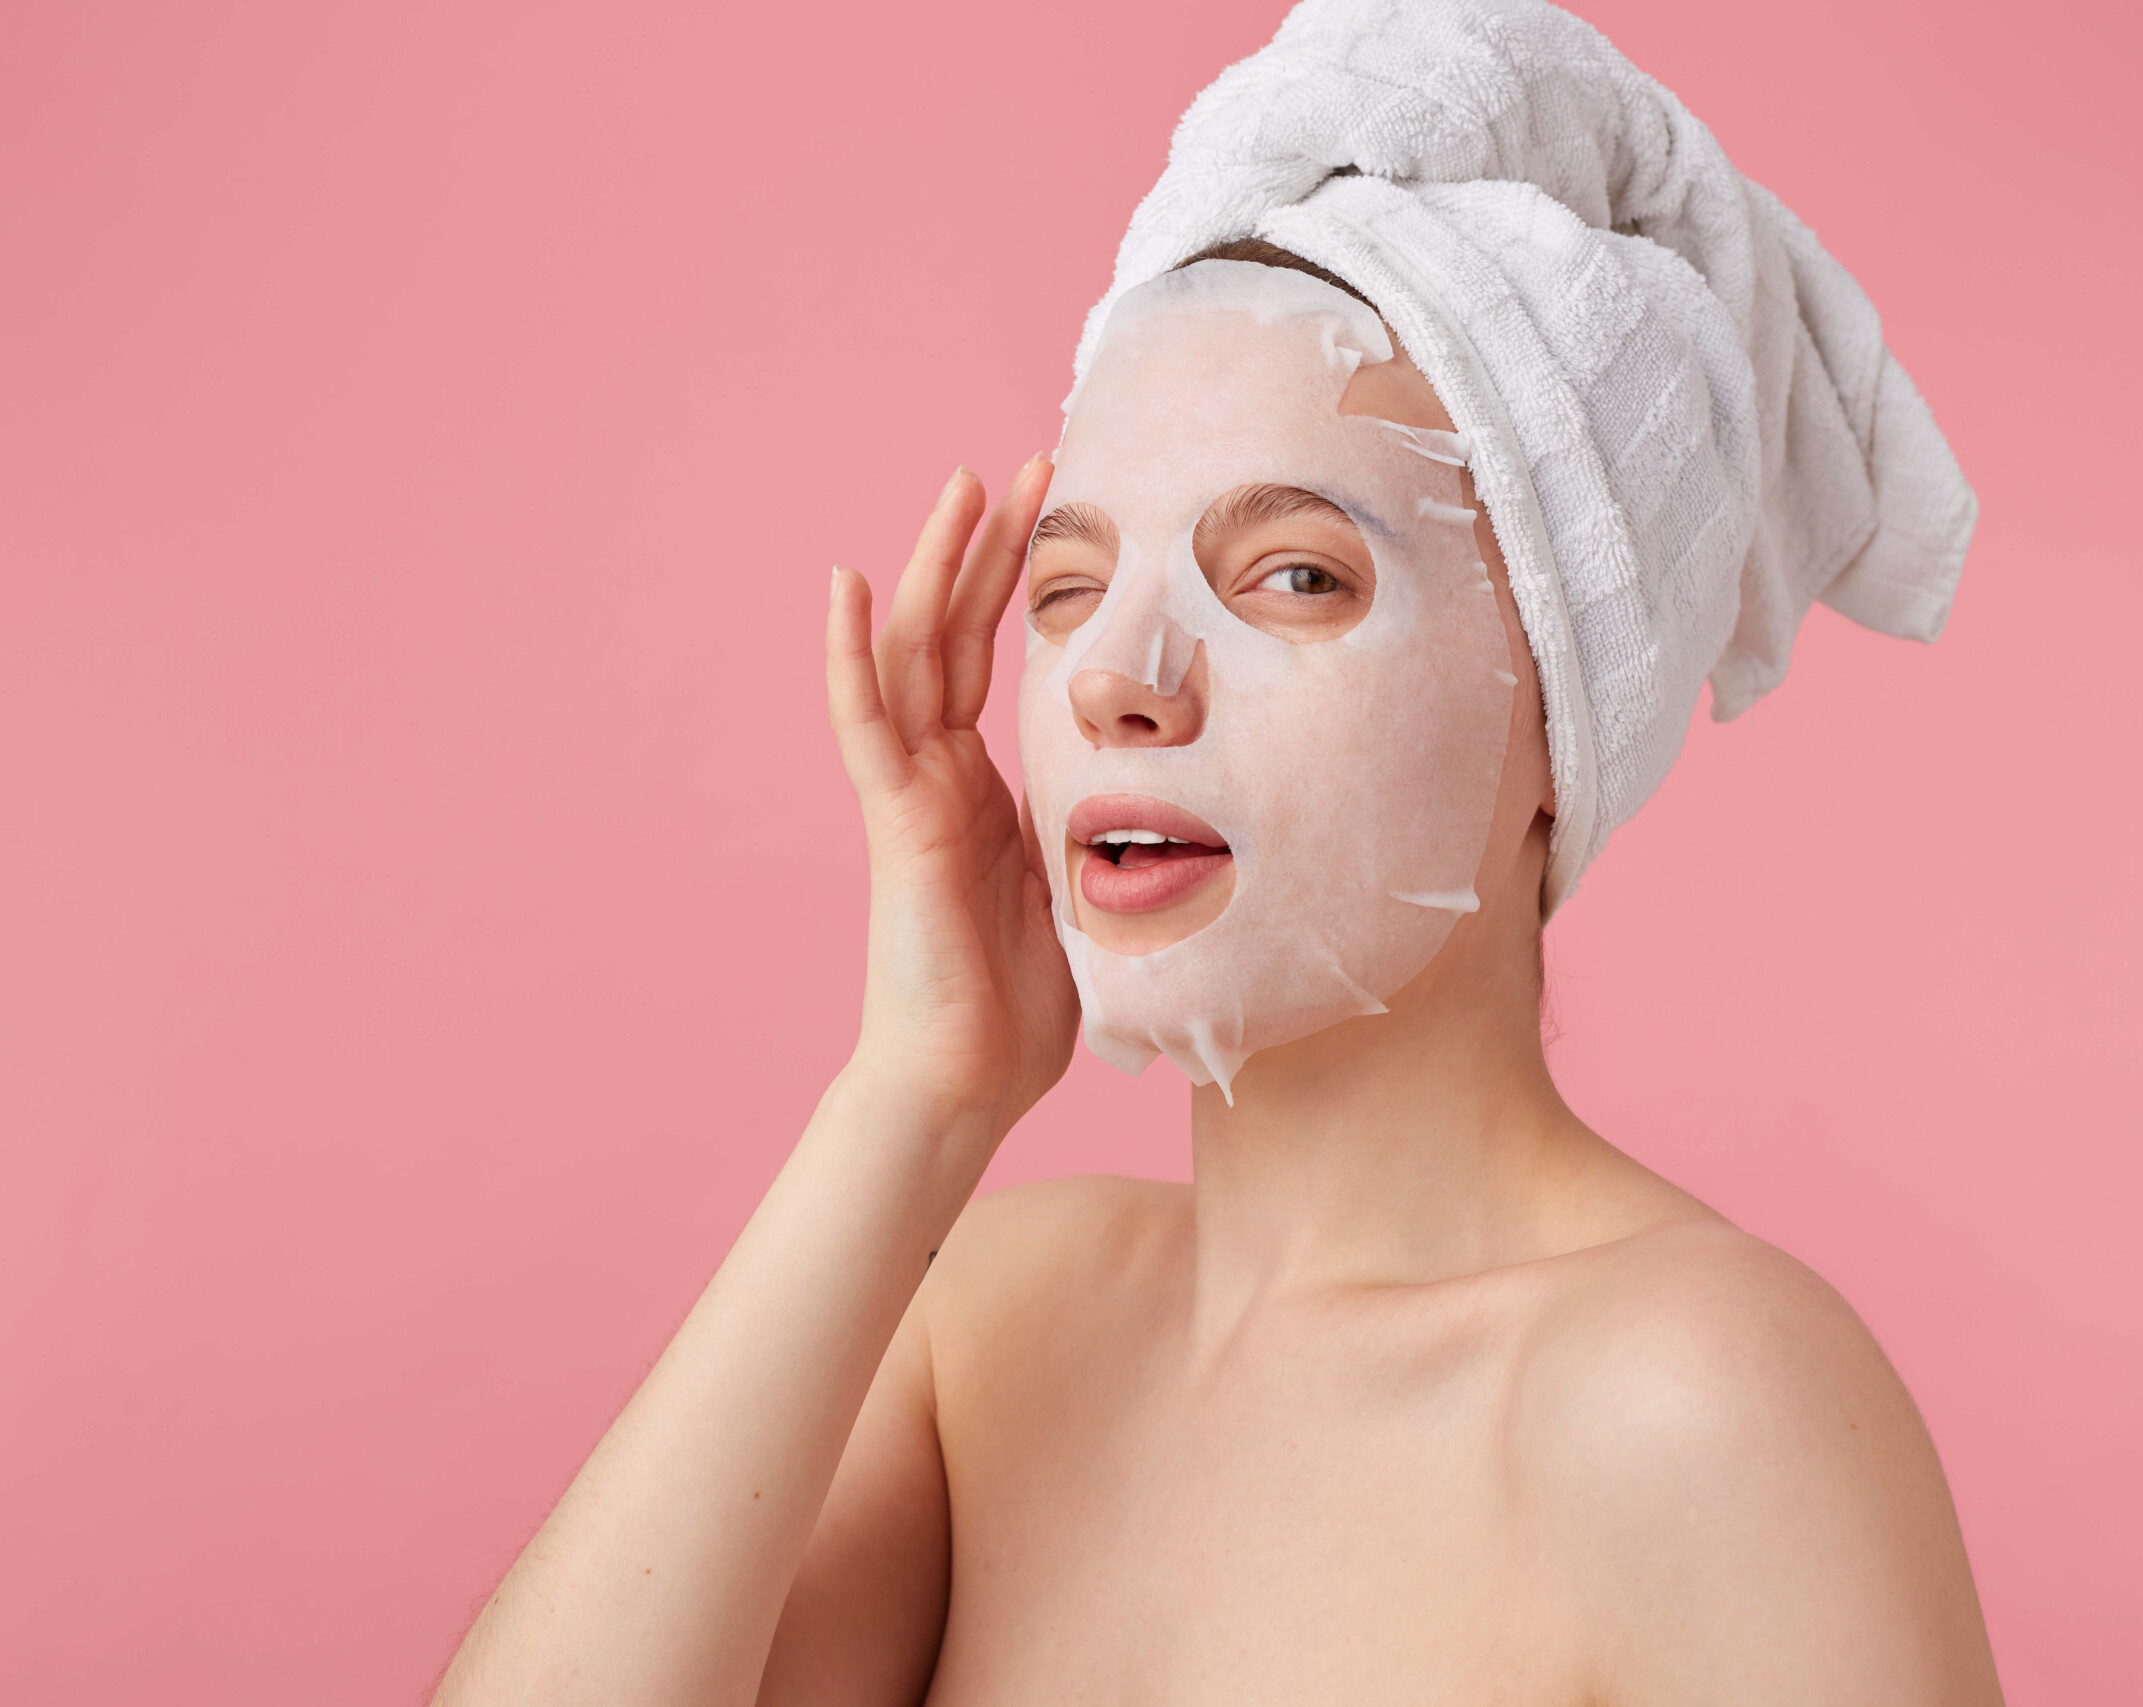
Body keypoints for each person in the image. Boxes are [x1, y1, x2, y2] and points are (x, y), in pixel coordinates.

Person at [433, 3, 2000, 1702]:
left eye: (1295, 578)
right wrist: (914, 1095)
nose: (1119, 675)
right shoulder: (998, 1330)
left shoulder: (1697, 1405)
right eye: (1068, 586)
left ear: (1563, 717)